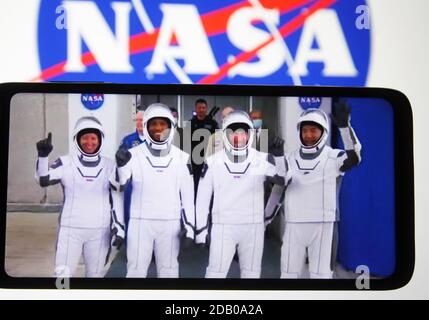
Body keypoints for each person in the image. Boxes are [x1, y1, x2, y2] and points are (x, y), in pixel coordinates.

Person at [195, 110, 285, 278]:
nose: (238, 138)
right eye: (233, 133)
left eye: (242, 133)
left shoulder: (262, 159)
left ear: (249, 135)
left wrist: (279, 158)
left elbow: (282, 181)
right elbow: (202, 198)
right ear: (225, 135)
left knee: (251, 275)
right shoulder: (213, 161)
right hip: (223, 227)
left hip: (253, 227)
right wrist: (201, 230)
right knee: (215, 274)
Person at [279, 102, 361, 279]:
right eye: (305, 130)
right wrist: (277, 158)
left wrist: (345, 128)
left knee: (322, 275)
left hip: (325, 224)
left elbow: (354, 158)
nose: (308, 135)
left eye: (313, 131)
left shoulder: (334, 156)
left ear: (323, 133)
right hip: (294, 223)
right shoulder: (289, 158)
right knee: (288, 274)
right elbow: (277, 183)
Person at [35, 116, 124, 278]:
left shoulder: (110, 165)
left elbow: (117, 197)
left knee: (95, 276)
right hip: (70, 229)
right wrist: (42, 157)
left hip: (100, 231)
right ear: (77, 139)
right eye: (84, 137)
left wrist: (119, 228)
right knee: (62, 277)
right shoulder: (65, 162)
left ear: (100, 140)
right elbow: (44, 180)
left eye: (93, 138)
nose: (89, 142)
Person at [115, 103, 195, 278]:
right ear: (146, 126)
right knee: (135, 270)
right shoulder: (133, 154)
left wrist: (190, 227)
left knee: (169, 272)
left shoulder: (182, 158)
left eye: (163, 124)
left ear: (170, 127)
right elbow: (121, 183)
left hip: (170, 223)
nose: (158, 128)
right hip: (140, 222)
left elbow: (188, 198)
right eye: (153, 124)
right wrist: (121, 165)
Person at [119, 109, 145, 234]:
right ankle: (128, 238)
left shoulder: (156, 140)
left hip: (149, 183)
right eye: (138, 120)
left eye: (142, 120)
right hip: (131, 183)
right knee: (129, 211)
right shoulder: (128, 140)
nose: (139, 123)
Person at [188, 98, 219, 194]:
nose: (201, 110)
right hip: (194, 159)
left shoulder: (213, 123)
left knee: (209, 182)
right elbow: (186, 142)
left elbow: (218, 141)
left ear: (206, 108)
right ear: (196, 109)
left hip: (209, 158)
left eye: (203, 107)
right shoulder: (190, 123)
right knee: (195, 183)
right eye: (199, 107)